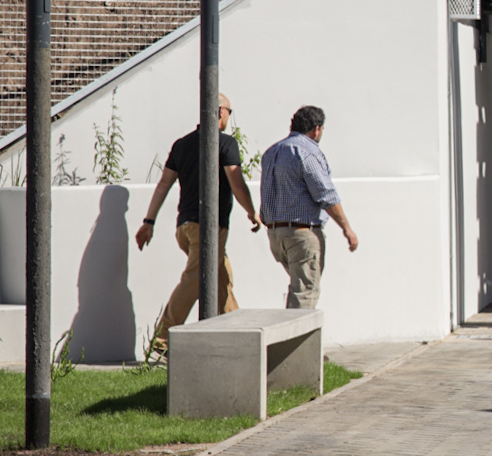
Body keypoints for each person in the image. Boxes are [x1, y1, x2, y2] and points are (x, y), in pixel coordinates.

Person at [136, 92, 261, 350]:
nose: (229, 118)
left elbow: (164, 184)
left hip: (184, 228)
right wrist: (252, 212)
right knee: (194, 279)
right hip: (208, 229)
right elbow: (237, 184)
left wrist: (149, 221)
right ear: (220, 112)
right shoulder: (225, 143)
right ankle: (162, 339)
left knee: (221, 278)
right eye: (229, 112)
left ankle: (238, 337)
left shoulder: (182, 144)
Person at [260, 105, 360, 309]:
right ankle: (295, 332)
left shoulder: (272, 152)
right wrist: (346, 228)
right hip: (301, 233)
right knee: (304, 295)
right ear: (316, 129)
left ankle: (289, 328)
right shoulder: (306, 152)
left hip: (275, 233)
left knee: (298, 290)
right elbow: (325, 194)